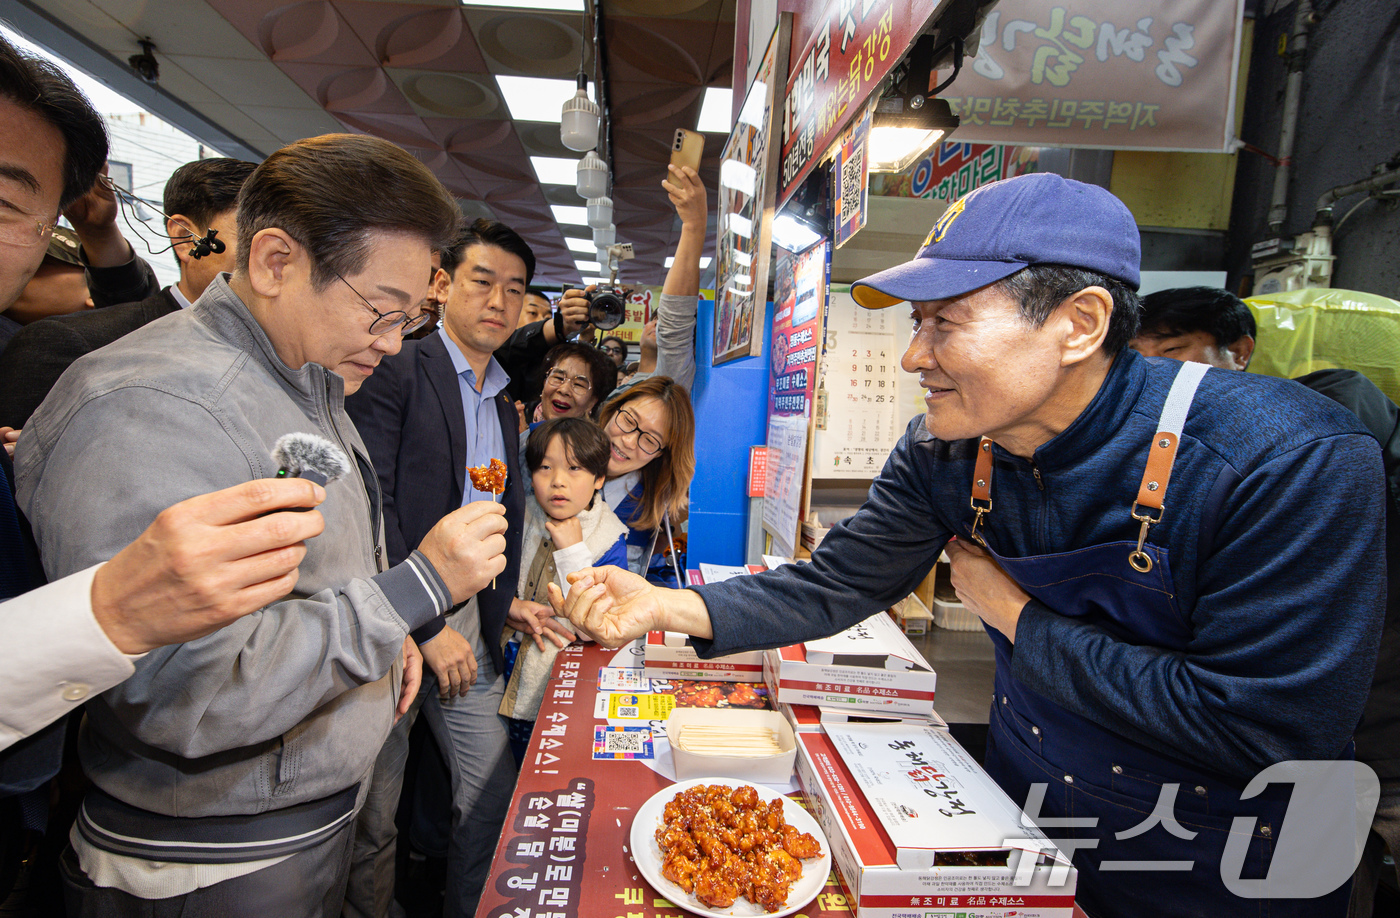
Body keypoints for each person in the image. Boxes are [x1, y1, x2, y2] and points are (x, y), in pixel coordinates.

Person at [552, 173, 1387, 918]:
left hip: (1233, 858)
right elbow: (839, 583)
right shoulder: (946, 447)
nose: (915, 356)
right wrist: (668, 604)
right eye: (917, 323)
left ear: (1079, 323)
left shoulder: (1289, 462)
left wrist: (1016, 615)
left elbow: (1268, 729)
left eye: (946, 323)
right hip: (1034, 815)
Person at [15, 132, 515, 915]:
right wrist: (415, 590)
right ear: (277, 260)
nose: (392, 342)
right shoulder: (156, 406)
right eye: (382, 312)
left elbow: (315, 582)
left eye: (409, 319)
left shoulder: (305, 377)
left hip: (293, 826)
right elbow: (188, 693)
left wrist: (381, 651)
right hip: (209, 864)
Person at [1130, 286, 1400, 918]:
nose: (1159, 378)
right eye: (1140, 363)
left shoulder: (1315, 436)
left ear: (1240, 352)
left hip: (1372, 720)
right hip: (1292, 748)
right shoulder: (1179, 454)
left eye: (1174, 353)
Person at [344, 218, 555, 918]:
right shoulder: (398, 365)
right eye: (482, 281)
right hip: (397, 617)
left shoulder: (502, 395)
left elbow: (493, 505)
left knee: (492, 789)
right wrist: (425, 622)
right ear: (442, 284)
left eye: (516, 290)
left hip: (470, 615)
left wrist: (503, 601)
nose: (499, 301)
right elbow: (377, 505)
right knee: (374, 811)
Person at [0, 157, 255, 429]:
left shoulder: (294, 363)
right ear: (184, 236)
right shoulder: (73, 346)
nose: (274, 261)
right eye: (253, 237)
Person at [498, 418, 627, 758]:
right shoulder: (516, 514)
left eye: (574, 468)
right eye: (544, 467)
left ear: (599, 478)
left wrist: (572, 551)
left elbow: (599, 625)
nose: (558, 481)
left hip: (552, 690)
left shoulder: (611, 537)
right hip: (494, 672)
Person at [597, 375, 695, 583]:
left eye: (650, 440)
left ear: (660, 453)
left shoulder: (648, 506)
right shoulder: (557, 451)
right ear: (614, 408)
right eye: (628, 420)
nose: (629, 441)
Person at [532, 340, 617, 423]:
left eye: (578, 384)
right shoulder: (523, 436)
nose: (564, 390)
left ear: (592, 402)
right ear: (544, 384)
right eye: (559, 378)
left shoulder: (594, 437)